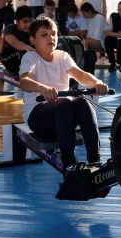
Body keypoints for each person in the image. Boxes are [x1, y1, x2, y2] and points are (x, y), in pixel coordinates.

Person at [19, 17, 109, 169]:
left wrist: (97, 83)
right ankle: (69, 163)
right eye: (44, 35)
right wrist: (42, 88)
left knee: (83, 102)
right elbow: (24, 81)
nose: (51, 38)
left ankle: (95, 160)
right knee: (65, 102)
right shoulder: (30, 58)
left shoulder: (62, 56)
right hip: (39, 117)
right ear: (33, 40)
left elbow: (80, 74)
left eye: (53, 34)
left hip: (63, 116)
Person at [0, 6, 34, 78]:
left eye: (30, 21)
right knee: (22, 53)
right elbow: (16, 43)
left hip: (23, 59)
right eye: (25, 21)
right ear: (17, 21)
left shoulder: (32, 31)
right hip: (10, 59)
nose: (28, 24)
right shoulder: (9, 29)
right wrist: (31, 50)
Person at [80, 2, 108, 73]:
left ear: (89, 11)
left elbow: (97, 37)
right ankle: (87, 61)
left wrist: (86, 40)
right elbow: (89, 36)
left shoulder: (99, 18)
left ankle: (85, 61)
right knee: (82, 41)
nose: (83, 16)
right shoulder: (90, 19)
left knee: (86, 41)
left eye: (84, 13)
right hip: (95, 41)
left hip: (102, 43)